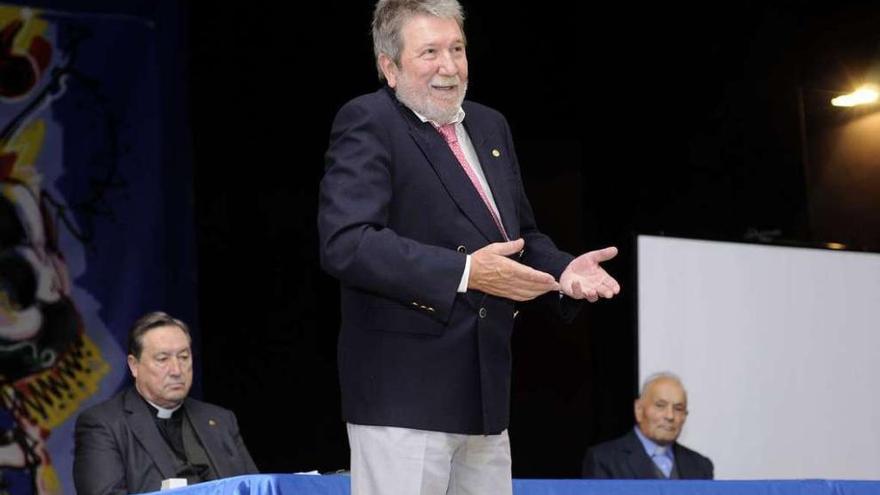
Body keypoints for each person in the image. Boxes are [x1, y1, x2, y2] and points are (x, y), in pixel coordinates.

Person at [318, 0, 621, 493]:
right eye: (431, 52)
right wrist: (465, 273)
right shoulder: (369, 121)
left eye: (457, 49)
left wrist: (565, 272)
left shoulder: (490, 125)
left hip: (484, 395)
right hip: (404, 399)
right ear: (389, 67)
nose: (450, 66)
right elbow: (346, 243)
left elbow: (520, 236)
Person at [73, 311, 258, 494]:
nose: (176, 370)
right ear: (134, 366)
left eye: (184, 357)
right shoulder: (103, 425)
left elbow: (256, 488)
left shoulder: (220, 420)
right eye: (163, 359)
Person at [582, 372, 713, 479]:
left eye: (678, 409)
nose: (670, 416)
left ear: (685, 416)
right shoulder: (605, 460)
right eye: (660, 406)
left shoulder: (701, 466)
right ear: (639, 410)